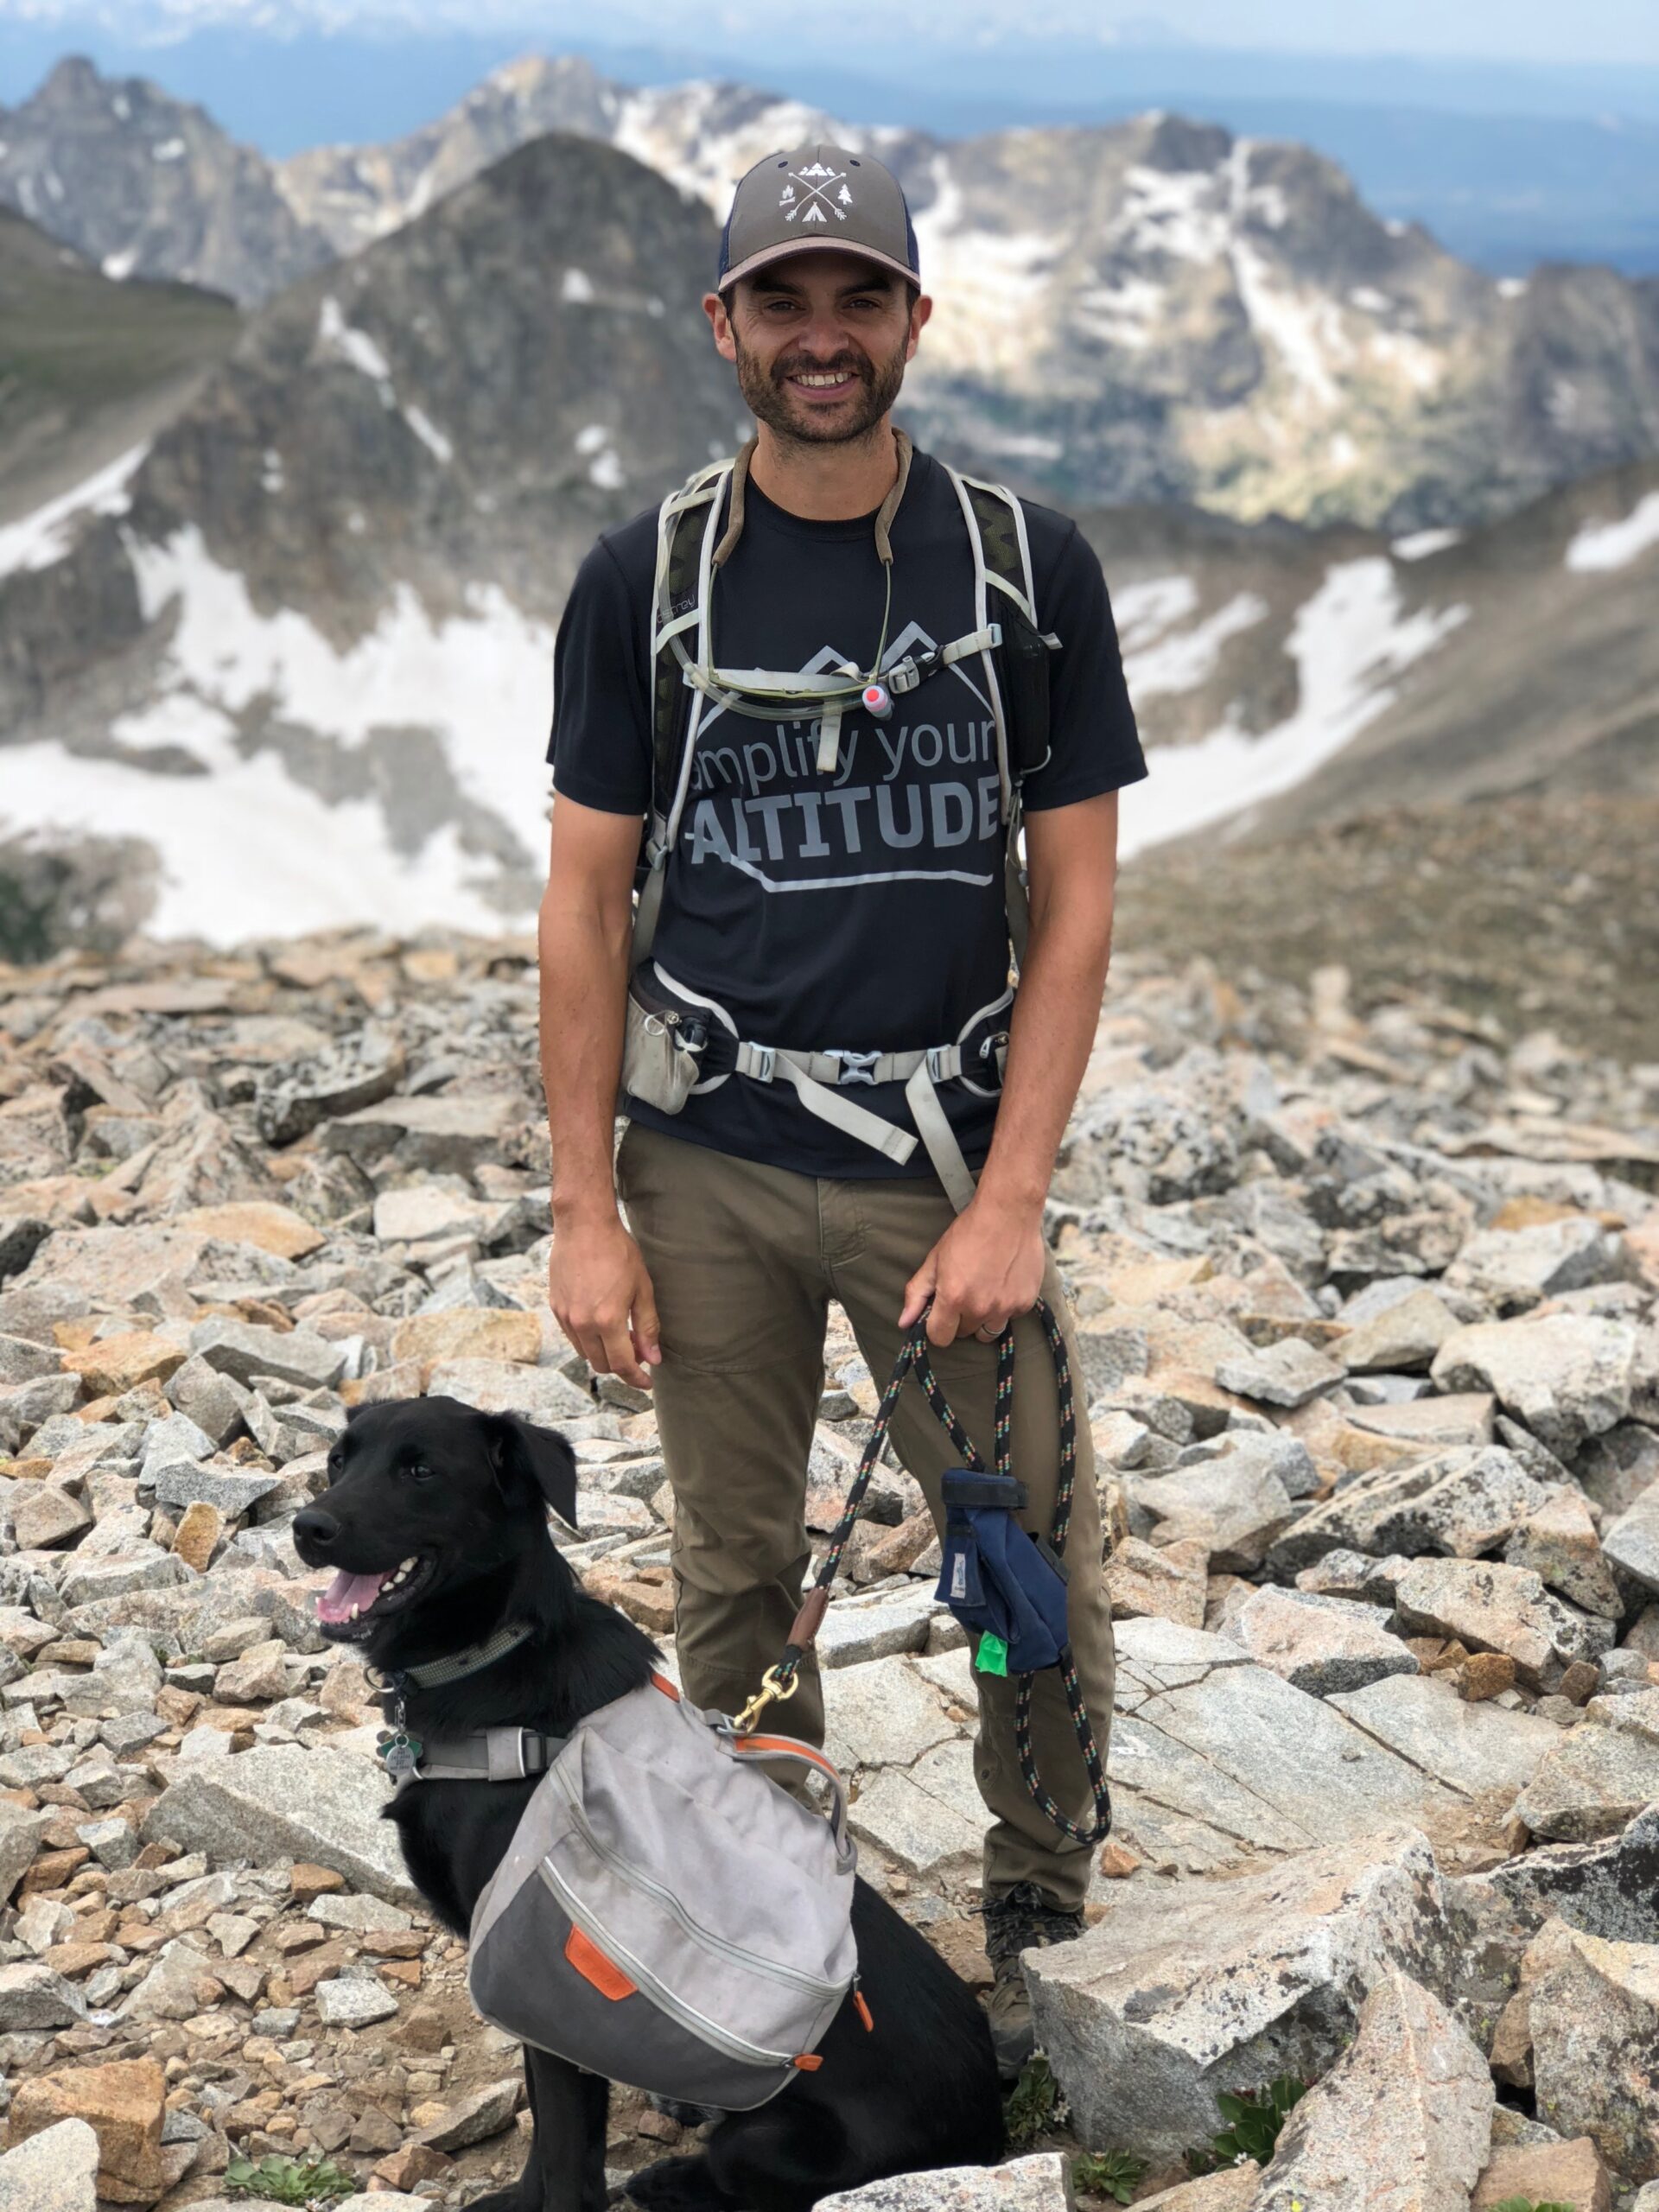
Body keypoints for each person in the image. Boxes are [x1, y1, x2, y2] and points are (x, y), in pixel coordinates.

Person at [539, 140, 1147, 2081]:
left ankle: (1042, 1896)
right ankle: (766, 1924)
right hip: (702, 1164)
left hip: (944, 1166)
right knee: (733, 1577)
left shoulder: (1025, 568)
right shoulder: (643, 578)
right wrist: (582, 1204)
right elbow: (584, 896)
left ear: (914, 320)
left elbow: (1074, 896)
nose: (824, 338)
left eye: (857, 298)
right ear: (722, 323)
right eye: (784, 301)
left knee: (1015, 1556)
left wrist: (1015, 1198)